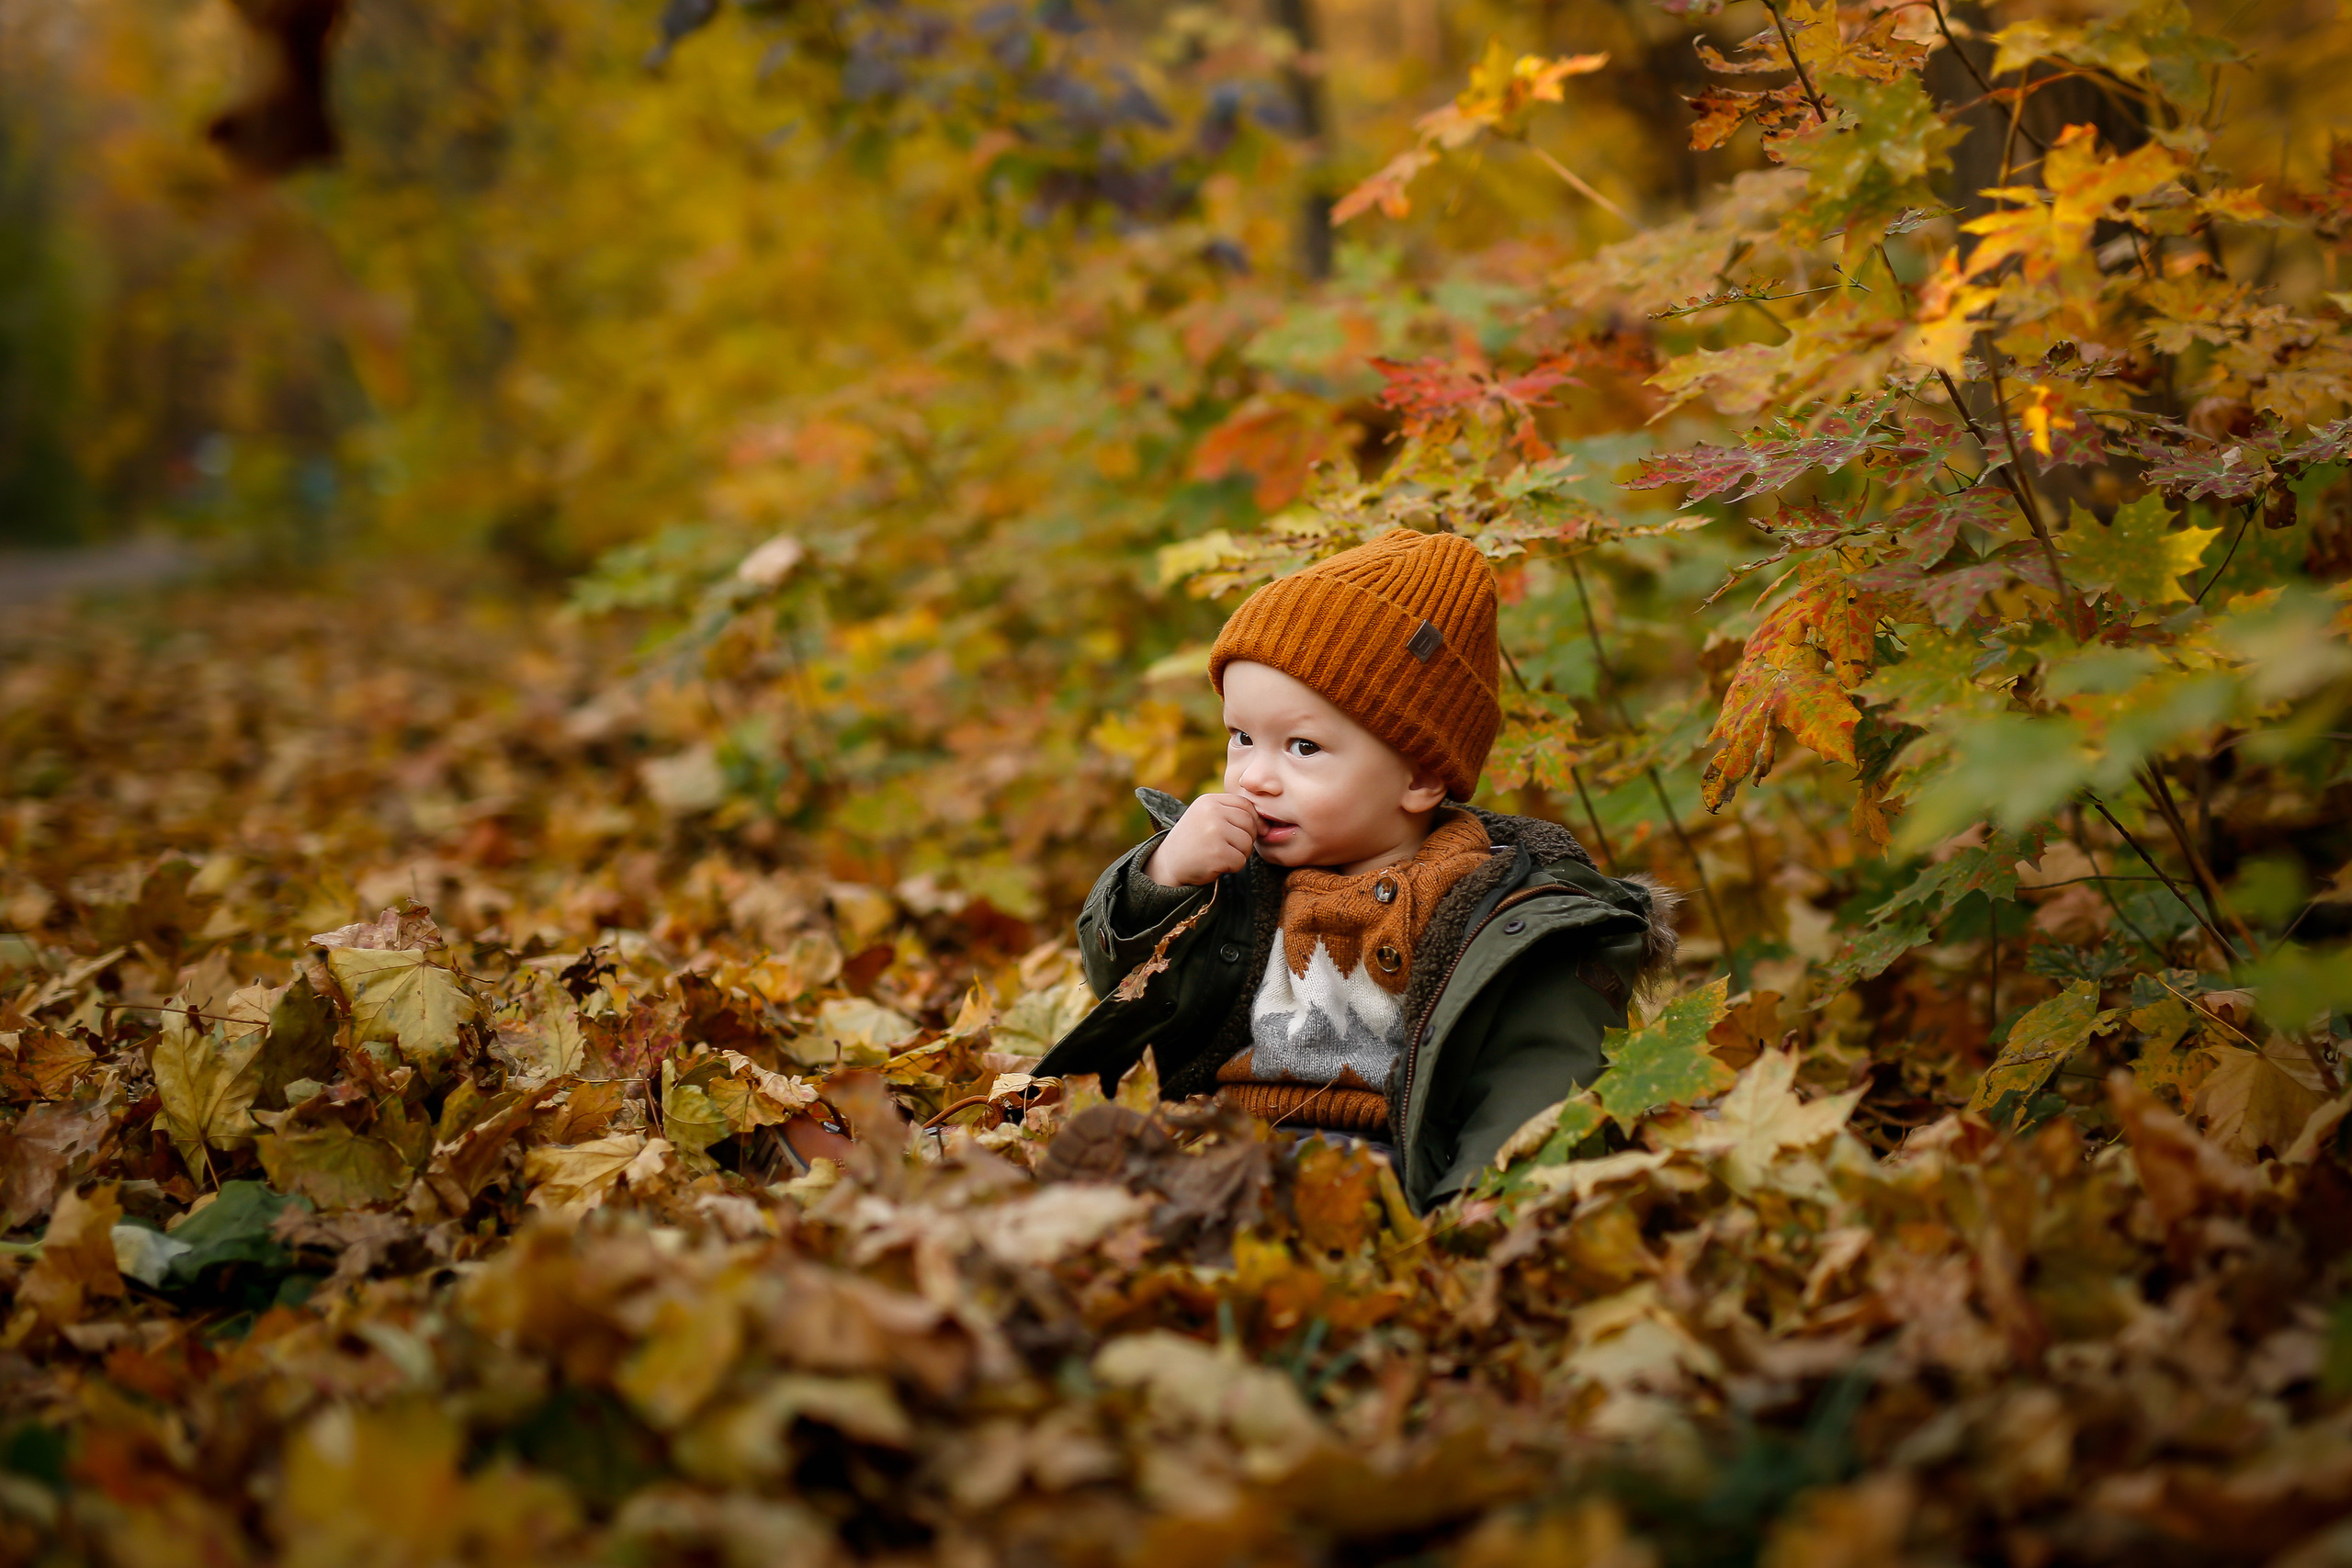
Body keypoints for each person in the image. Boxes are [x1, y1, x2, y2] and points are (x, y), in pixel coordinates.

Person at [1035, 528, 1679, 1213]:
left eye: (1303, 747)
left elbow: (1537, 1080)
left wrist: (1483, 1205)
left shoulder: (1499, 914)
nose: (1254, 777)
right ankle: (1117, 1196)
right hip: (1227, 1131)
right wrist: (1163, 881)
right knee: (1160, 1173)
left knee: (1283, 1200)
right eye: (1241, 737)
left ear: (1420, 776)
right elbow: (1122, 987)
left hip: (1381, 1163)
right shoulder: (1233, 875)